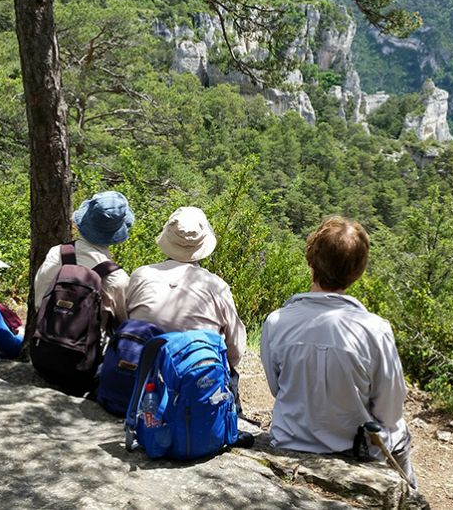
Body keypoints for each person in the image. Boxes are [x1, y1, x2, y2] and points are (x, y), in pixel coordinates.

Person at [260, 216, 417, 488]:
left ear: (311, 260)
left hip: (289, 440)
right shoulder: (375, 330)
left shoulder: (276, 322)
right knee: (400, 433)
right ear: (358, 271)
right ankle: (408, 497)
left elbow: (277, 388)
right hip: (358, 449)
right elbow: (389, 413)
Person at [125, 206, 247, 406]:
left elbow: (125, 321)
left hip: (140, 379)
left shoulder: (141, 275)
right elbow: (235, 350)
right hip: (192, 388)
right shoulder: (217, 286)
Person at [33, 190, 134, 328]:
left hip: (43, 340)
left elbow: (39, 301)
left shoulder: (56, 253)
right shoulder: (116, 278)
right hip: (89, 347)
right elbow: (124, 324)